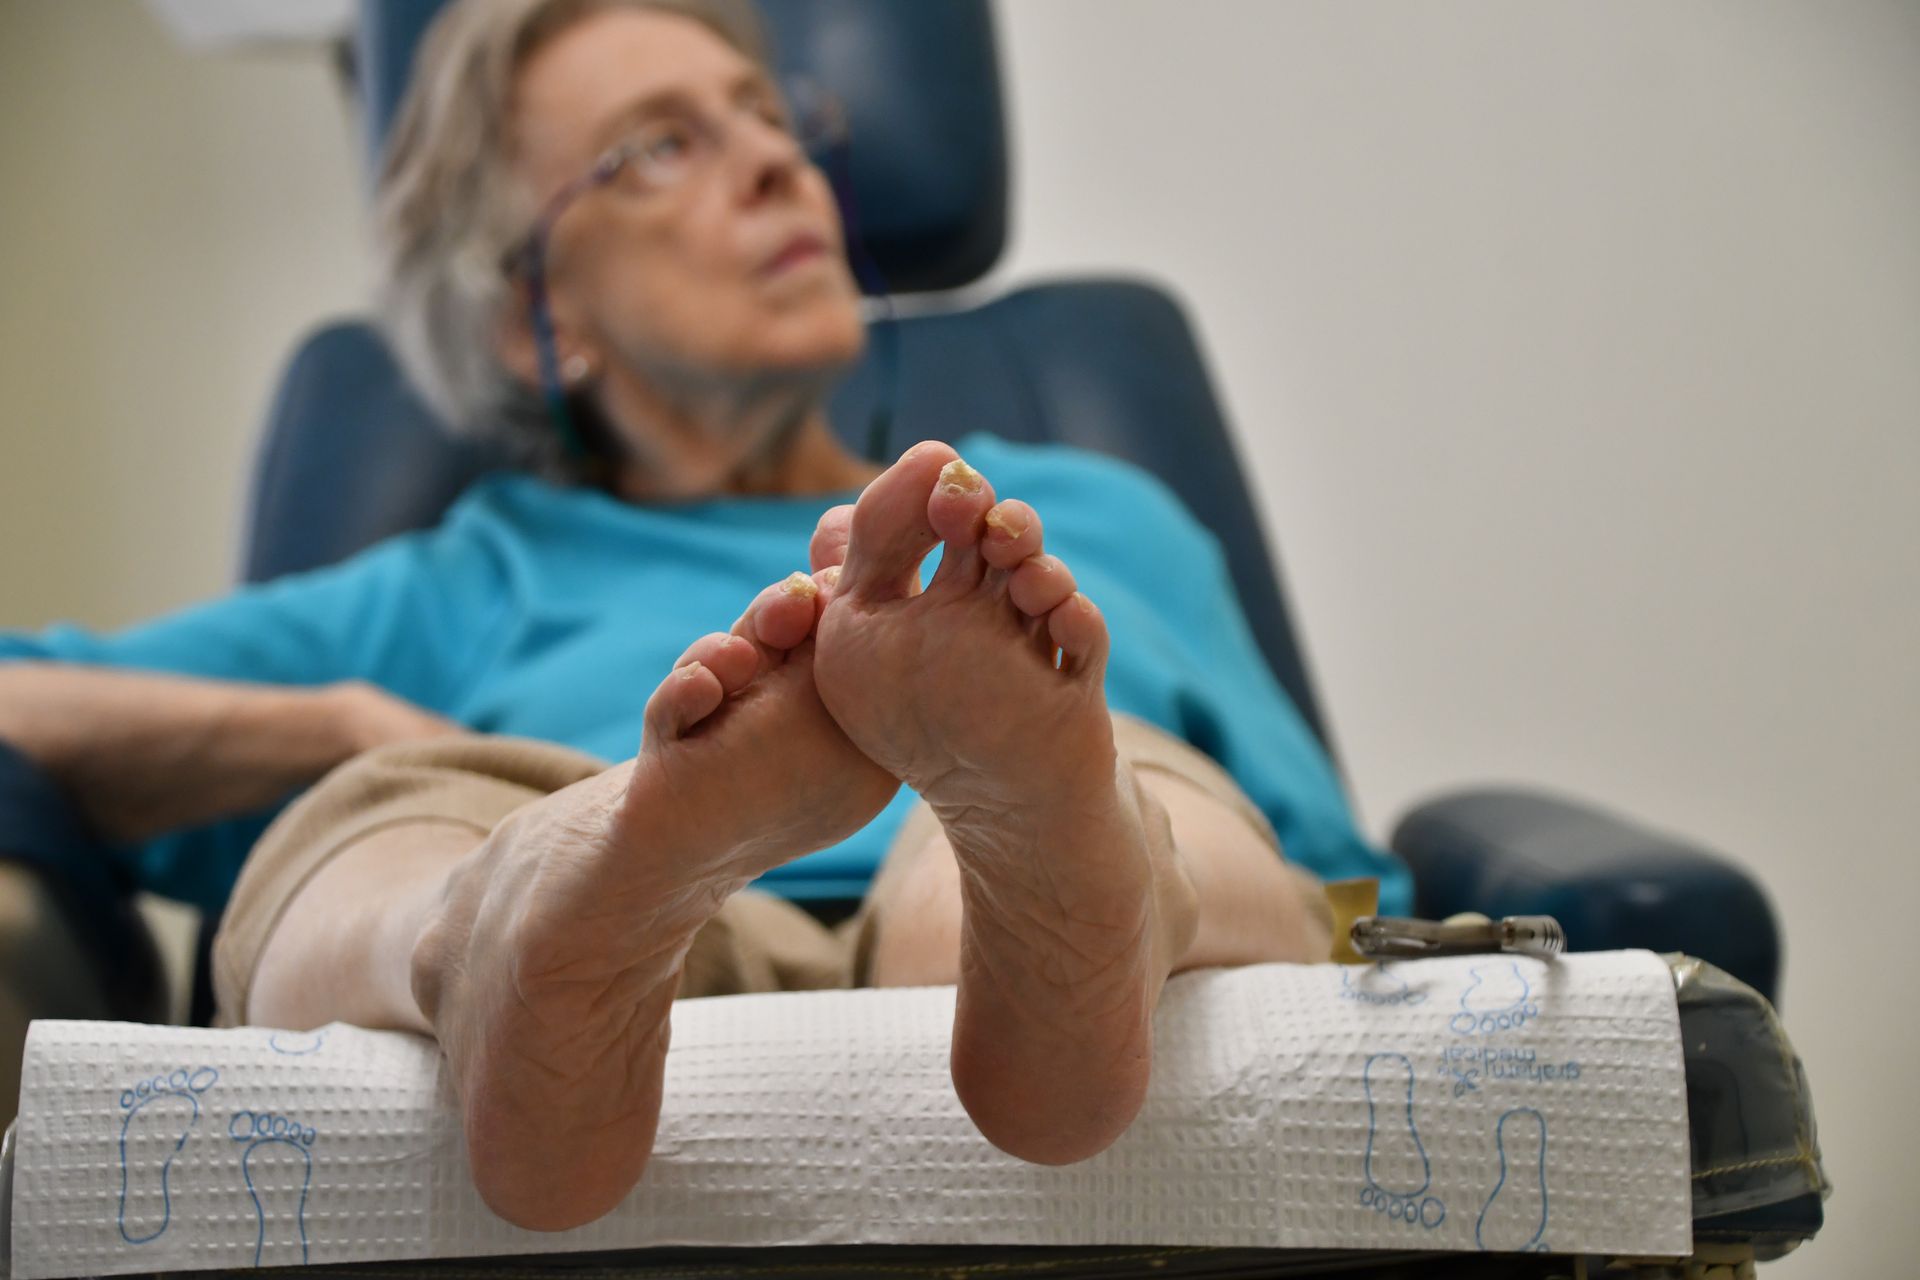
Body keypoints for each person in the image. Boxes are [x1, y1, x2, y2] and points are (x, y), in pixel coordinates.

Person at [0, 0, 1409, 1232]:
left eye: (765, 114)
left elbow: (1337, 883)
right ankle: (485, 935)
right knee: (402, 814)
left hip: (1007, 929)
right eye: (661, 144)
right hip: (621, 955)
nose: (772, 162)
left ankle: (1083, 891)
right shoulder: (465, 579)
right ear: (533, 316)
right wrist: (340, 725)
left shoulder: (1095, 512)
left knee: (1124, 790)